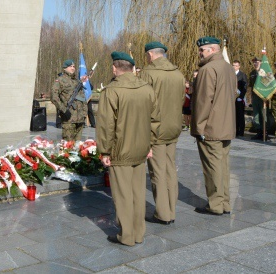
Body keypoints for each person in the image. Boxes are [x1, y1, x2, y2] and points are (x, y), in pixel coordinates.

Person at [97, 52, 156, 246]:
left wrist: (104, 151)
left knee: (122, 195)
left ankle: (127, 236)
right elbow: (155, 120)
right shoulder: (147, 89)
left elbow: (106, 125)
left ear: (115, 69)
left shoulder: (111, 91)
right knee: (138, 193)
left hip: (120, 150)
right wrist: (150, 145)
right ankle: (138, 233)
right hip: (140, 148)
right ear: (132, 68)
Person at [140, 41, 184, 225]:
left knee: (157, 171)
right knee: (170, 168)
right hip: (173, 127)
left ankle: (163, 214)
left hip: (155, 129)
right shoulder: (178, 74)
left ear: (150, 55)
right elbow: (182, 99)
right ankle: (171, 209)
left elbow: (143, 102)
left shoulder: (148, 73)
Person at [191, 37, 236, 216]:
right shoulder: (228, 67)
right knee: (223, 166)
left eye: (202, 50)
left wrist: (199, 127)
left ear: (211, 50)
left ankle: (215, 205)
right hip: (226, 125)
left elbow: (203, 101)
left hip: (211, 127)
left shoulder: (208, 69)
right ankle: (224, 202)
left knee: (212, 167)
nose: (200, 54)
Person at [51, 59, 88, 141]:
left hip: (80, 119)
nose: (73, 68)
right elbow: (54, 97)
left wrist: (84, 113)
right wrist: (64, 110)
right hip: (69, 120)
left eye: (74, 66)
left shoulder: (77, 81)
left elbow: (83, 98)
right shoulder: (60, 80)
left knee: (78, 147)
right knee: (67, 147)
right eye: (70, 66)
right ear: (64, 68)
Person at [249, 57, 263, 138]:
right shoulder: (252, 73)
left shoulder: (264, 72)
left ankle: (265, 131)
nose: (255, 64)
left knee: (263, 114)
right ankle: (259, 131)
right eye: (254, 62)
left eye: (257, 62)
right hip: (255, 96)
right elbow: (251, 86)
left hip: (262, 97)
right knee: (256, 114)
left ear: (261, 62)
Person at [232, 60, 247, 137]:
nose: (234, 67)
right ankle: (235, 130)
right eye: (233, 65)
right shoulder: (230, 74)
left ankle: (241, 131)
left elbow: (244, 87)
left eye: (235, 65)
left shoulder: (242, 75)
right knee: (234, 115)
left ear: (238, 66)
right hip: (232, 98)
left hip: (239, 98)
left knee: (240, 115)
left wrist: (241, 97)